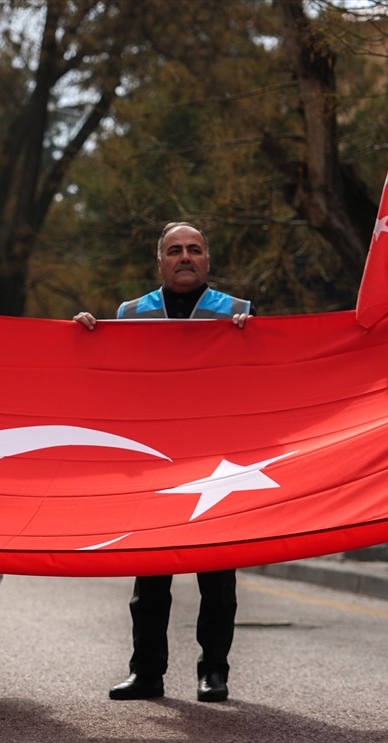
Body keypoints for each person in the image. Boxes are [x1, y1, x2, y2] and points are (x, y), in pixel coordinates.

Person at [74, 221, 250, 703]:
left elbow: (262, 384)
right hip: (155, 464)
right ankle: (146, 671)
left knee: (217, 576)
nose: (185, 257)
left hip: (216, 463)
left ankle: (213, 670)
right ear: (160, 262)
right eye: (175, 250)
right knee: (150, 576)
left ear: (208, 261)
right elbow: (110, 382)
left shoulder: (239, 314)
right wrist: (89, 335)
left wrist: (251, 340)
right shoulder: (130, 315)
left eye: (194, 249)